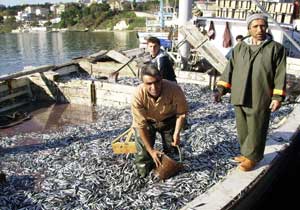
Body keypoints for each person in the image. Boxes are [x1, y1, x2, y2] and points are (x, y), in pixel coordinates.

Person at [214, 13, 286, 171]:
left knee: (257, 127)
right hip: (239, 93)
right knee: (243, 127)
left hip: (260, 95)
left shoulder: (276, 49)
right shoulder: (240, 47)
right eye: (255, 26)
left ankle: (254, 157)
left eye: (262, 26)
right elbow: (229, 69)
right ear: (249, 29)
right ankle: (246, 153)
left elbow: (280, 74)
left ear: (266, 27)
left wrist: (277, 97)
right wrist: (220, 89)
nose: (260, 29)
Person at [131, 64, 188, 178]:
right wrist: (151, 150)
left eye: (157, 82)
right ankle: (144, 174)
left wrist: (177, 133)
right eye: (149, 84)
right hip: (147, 123)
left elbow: (181, 113)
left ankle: (169, 170)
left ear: (161, 79)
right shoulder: (138, 95)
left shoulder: (174, 89)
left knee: (172, 150)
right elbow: (140, 126)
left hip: (168, 120)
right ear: (143, 83)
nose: (154, 87)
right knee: (143, 153)